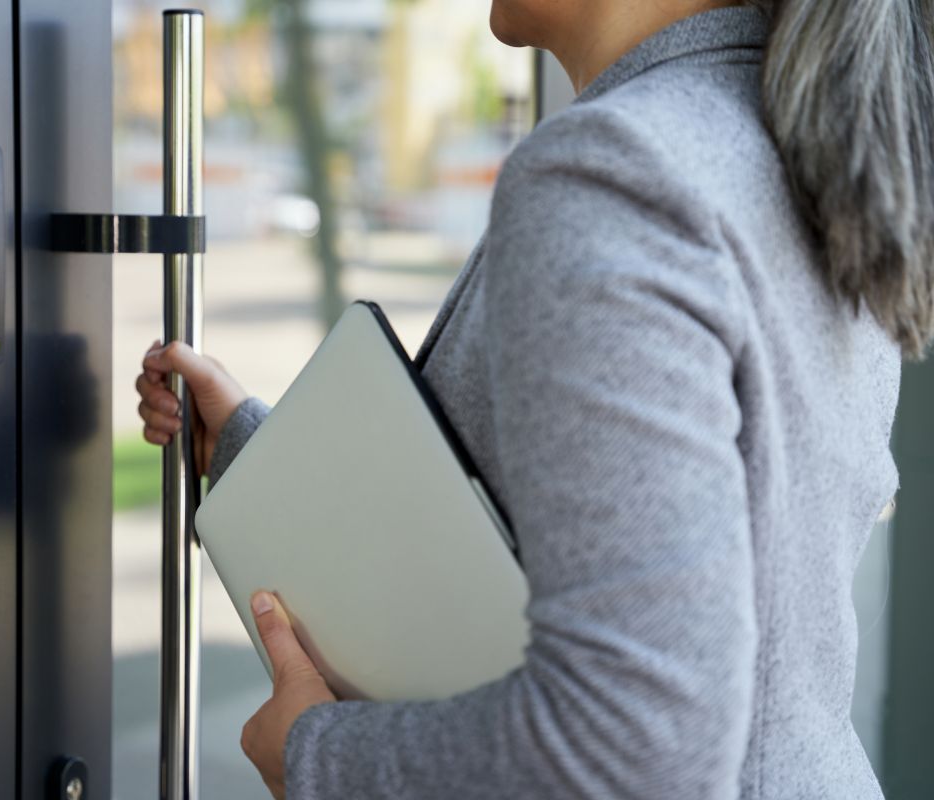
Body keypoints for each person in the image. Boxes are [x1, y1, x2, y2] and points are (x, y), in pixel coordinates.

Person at [136, 0, 934, 797]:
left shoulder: (621, 170)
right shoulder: (804, 151)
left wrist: (318, 757)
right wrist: (245, 449)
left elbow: (637, 746)